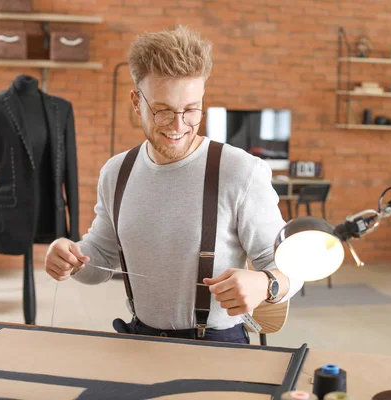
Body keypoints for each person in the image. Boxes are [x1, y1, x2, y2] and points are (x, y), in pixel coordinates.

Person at [44, 25, 303, 344]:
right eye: (163, 111)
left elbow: (288, 268)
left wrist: (266, 285)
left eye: (192, 110)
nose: (179, 126)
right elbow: (100, 256)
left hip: (218, 344)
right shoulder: (116, 172)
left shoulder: (240, 171)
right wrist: (71, 257)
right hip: (140, 339)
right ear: (137, 102)